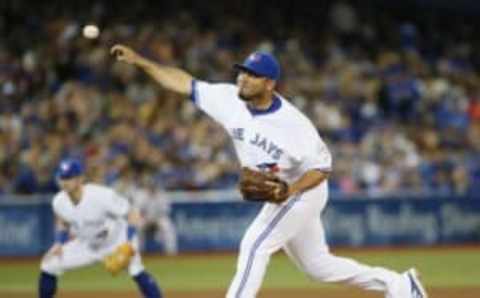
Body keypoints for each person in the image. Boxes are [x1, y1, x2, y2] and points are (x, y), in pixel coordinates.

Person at [111, 44, 428, 298]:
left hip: (303, 190)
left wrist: (291, 191)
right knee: (318, 267)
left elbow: (322, 168)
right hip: (283, 191)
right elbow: (184, 83)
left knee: (254, 244)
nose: (243, 79)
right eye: (242, 72)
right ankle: (400, 285)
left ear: (270, 83)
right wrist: (141, 61)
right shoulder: (227, 99)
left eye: (252, 75)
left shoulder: (295, 125)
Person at [38, 158, 162, 298]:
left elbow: (132, 214)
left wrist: (129, 243)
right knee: (49, 264)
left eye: (69, 177)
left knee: (136, 270)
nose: (64, 182)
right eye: (62, 177)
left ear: (80, 179)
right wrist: (59, 243)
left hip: (116, 241)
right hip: (86, 244)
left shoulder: (102, 195)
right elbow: (62, 221)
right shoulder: (59, 201)